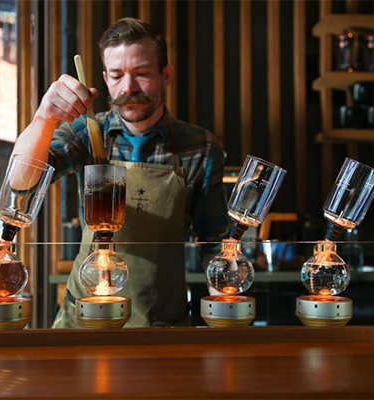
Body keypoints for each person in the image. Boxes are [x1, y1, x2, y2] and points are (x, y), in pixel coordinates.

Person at [12, 18, 229, 328]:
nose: (128, 88)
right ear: (104, 78)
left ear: (165, 74)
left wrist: (225, 318)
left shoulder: (200, 146)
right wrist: (44, 119)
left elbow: (213, 243)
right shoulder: (87, 133)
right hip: (84, 318)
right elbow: (21, 184)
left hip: (161, 324)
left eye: (141, 74)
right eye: (116, 76)